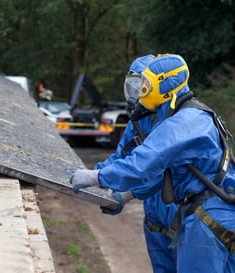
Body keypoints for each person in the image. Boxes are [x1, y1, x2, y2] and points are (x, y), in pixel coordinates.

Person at [70, 53, 235, 273]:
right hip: (210, 212)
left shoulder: (183, 122)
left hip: (207, 217)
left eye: (145, 86)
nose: (140, 93)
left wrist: (97, 177)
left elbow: (143, 164)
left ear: (163, 85)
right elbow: (129, 158)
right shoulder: (186, 115)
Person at [95, 54, 177, 273]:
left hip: (186, 220)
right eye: (132, 87)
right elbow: (122, 157)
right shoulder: (138, 121)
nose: (136, 95)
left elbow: (164, 171)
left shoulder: (178, 121)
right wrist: (94, 176)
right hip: (155, 221)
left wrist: (127, 194)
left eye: (142, 88)